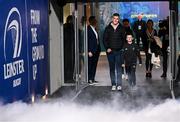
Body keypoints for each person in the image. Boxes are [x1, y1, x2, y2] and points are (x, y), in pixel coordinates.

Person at [103, 13, 125, 91]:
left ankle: (119, 85)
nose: (115, 20)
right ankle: (113, 84)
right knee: (112, 69)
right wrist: (107, 48)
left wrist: (122, 49)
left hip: (119, 52)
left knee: (119, 69)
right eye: (114, 18)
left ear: (118, 19)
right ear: (112, 18)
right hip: (110, 52)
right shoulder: (108, 28)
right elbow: (104, 39)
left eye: (117, 18)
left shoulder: (121, 28)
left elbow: (124, 40)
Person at [87, 16, 101, 84]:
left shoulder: (95, 29)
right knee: (90, 65)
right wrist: (89, 50)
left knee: (94, 65)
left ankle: (92, 78)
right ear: (91, 21)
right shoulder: (88, 29)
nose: (96, 21)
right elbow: (87, 41)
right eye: (94, 20)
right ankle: (89, 79)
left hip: (96, 50)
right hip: (91, 51)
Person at [63, 15, 75, 82]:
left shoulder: (65, 27)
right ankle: (69, 78)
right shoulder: (70, 27)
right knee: (69, 64)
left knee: (67, 63)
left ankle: (67, 78)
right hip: (69, 48)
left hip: (66, 49)